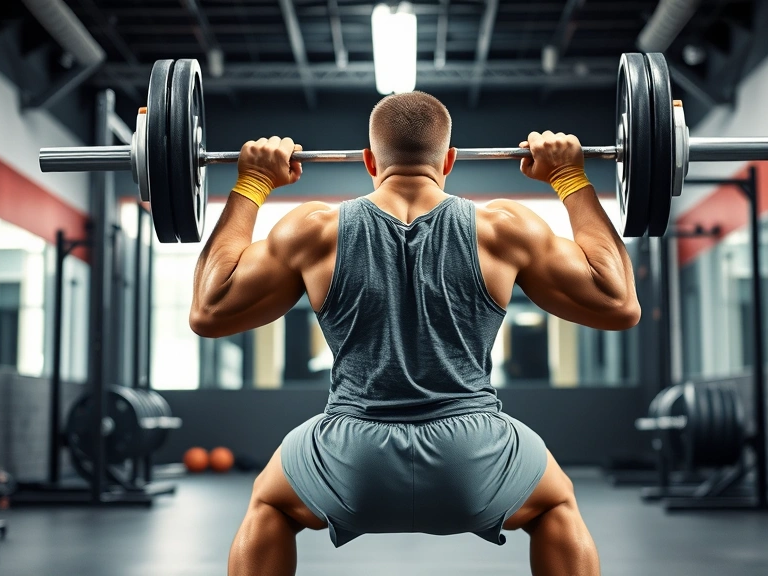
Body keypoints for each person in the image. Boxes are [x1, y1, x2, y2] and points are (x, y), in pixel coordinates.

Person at [190, 91, 640, 576]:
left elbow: (209, 310)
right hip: (475, 456)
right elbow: (618, 303)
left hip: (350, 458)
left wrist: (253, 183)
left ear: (369, 161)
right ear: (448, 160)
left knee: (269, 505)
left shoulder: (314, 229)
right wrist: (569, 178)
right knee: (557, 506)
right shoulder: (504, 228)